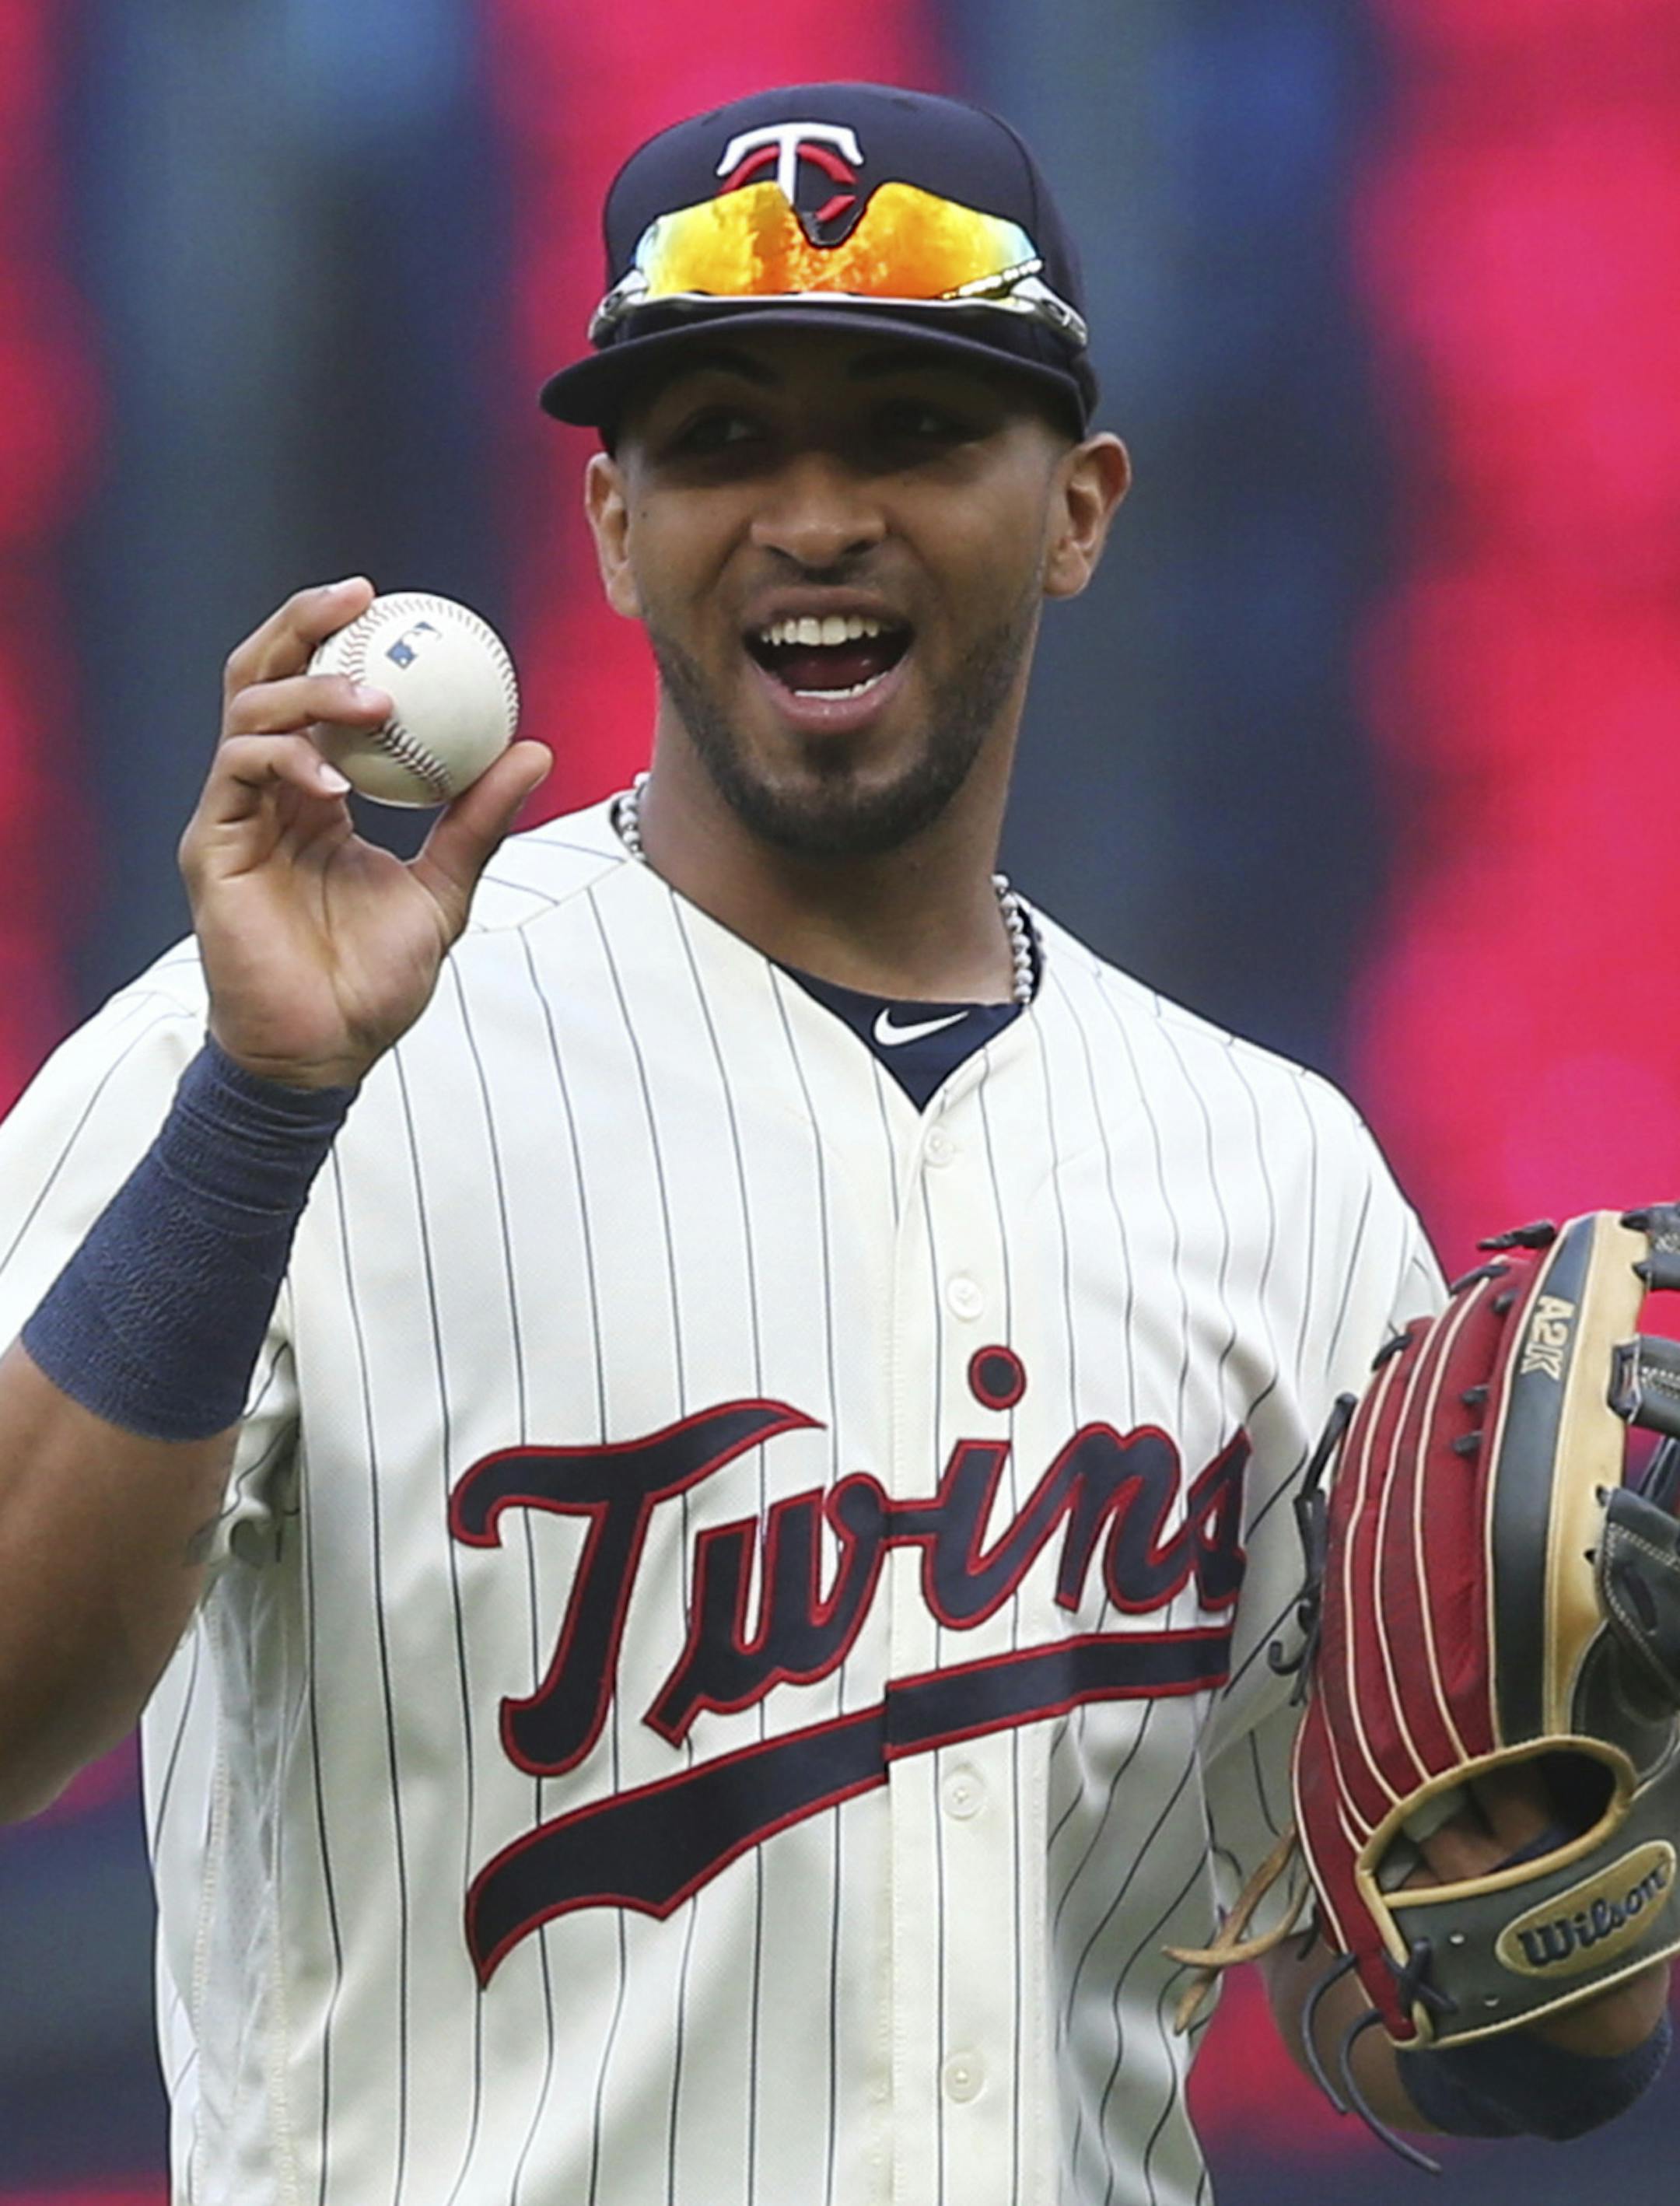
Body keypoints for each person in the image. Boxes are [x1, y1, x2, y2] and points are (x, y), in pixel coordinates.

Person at [0, 79, 1667, 2206]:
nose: (811, 514)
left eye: (910, 430)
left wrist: (1604, 1774)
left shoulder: (1281, 1182)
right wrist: (256, 1117)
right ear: (610, 525)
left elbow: (1432, 2036)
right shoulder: (253, 1047)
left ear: (1078, 506)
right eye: (719, 441)